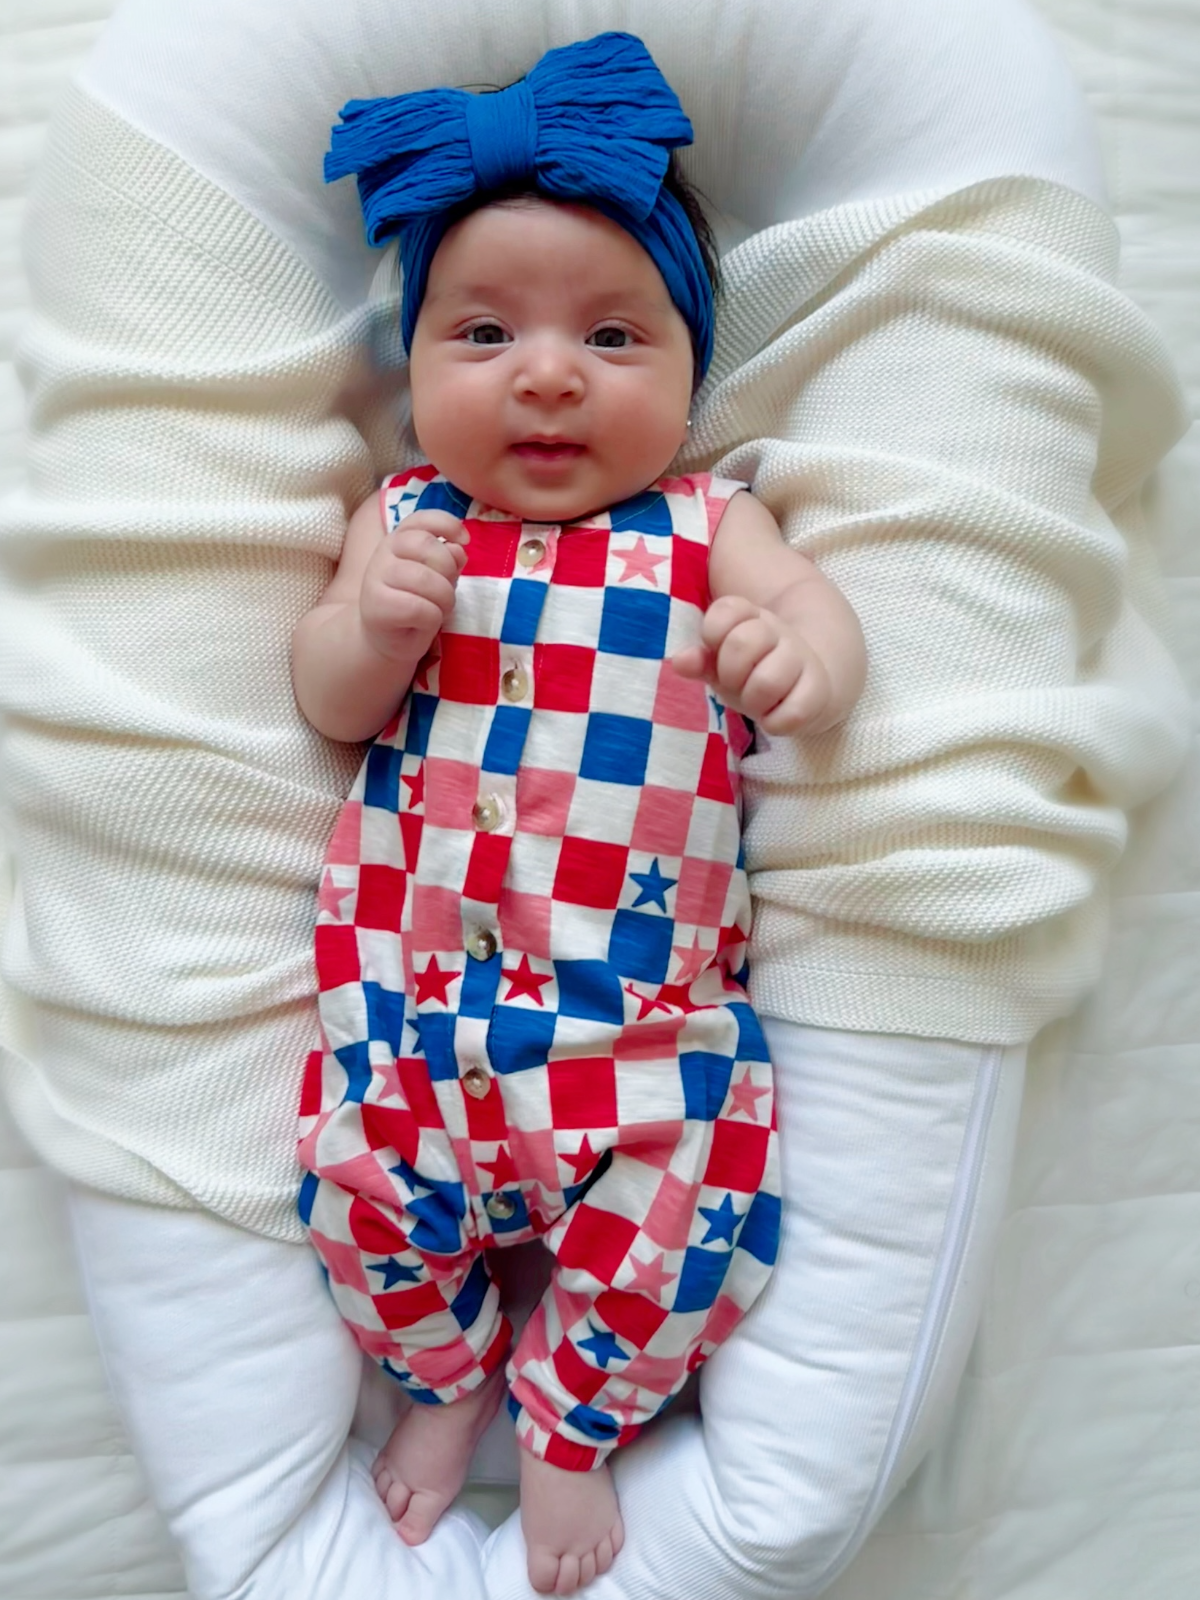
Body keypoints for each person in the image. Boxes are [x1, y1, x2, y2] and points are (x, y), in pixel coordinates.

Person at [290, 34, 866, 1597]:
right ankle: (447, 1370)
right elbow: (331, 702)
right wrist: (375, 630)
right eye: (483, 333)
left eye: (614, 336)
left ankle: (565, 1416)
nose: (548, 375)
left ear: (690, 372)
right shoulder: (407, 519)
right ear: (413, 374)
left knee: (694, 1211)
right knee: (354, 1203)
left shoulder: (704, 526)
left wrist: (793, 658)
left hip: (644, 1036)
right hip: (413, 1023)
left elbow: (818, 618)